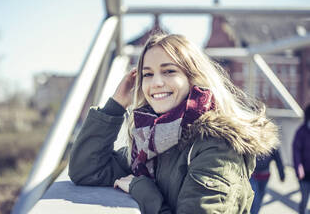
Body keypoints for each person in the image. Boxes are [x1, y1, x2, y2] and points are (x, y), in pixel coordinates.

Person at [69, 33, 279, 213]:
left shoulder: (217, 145)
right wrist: (116, 105)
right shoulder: (151, 140)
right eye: (147, 74)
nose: (156, 82)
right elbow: (86, 169)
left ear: (194, 77)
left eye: (169, 71)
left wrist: (141, 189)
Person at [250, 149, 285, 214]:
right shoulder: (252, 140)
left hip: (265, 176)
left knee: (260, 197)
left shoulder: (271, 142)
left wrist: (281, 174)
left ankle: (255, 212)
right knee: (255, 199)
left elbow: (278, 159)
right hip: (252, 175)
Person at [293, 104, 310, 214]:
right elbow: (296, 151)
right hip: (305, 173)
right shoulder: (301, 132)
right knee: (304, 199)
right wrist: (299, 167)